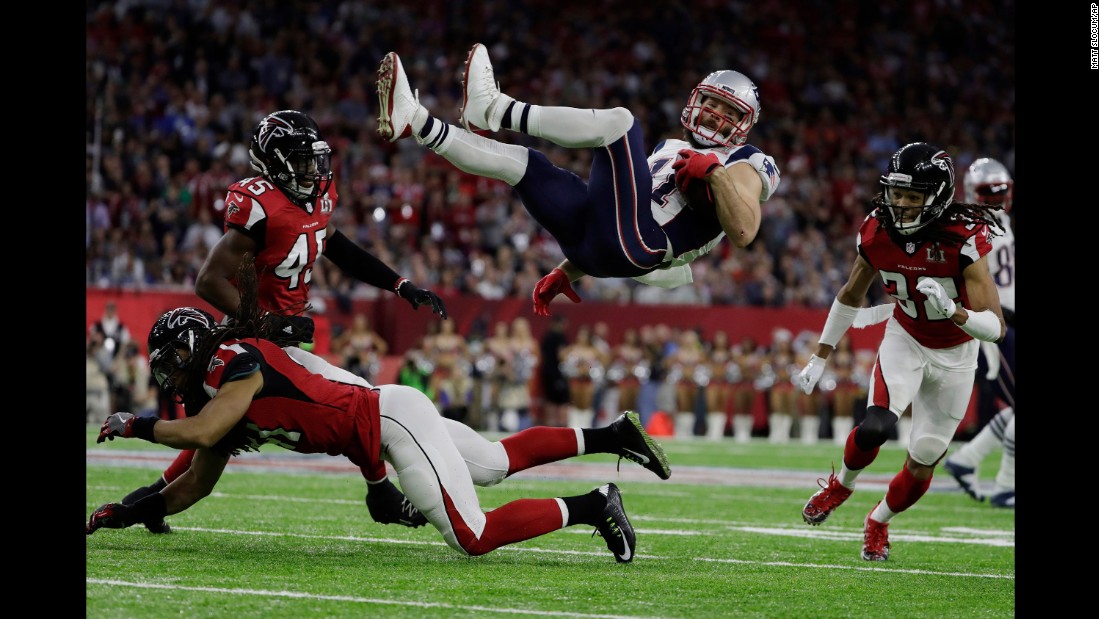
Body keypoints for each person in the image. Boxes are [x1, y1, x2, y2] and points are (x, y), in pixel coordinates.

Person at [87, 291, 672, 563]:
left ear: (191, 353)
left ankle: (595, 504)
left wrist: (135, 424)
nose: (167, 378)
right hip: (388, 417)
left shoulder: (235, 365)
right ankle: (612, 437)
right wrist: (130, 511)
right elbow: (191, 480)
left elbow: (198, 432)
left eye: (169, 365)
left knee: (474, 537)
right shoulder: (219, 393)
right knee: (492, 462)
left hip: (391, 421)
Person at [115, 109, 449, 534]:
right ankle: (380, 489)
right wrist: (268, 323)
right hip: (254, 335)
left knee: (223, 431)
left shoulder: (315, 197)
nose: (313, 168)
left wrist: (399, 284)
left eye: (313, 158)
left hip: (285, 333)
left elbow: (337, 246)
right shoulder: (260, 205)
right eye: (302, 158)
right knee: (359, 402)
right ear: (275, 160)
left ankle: (147, 502)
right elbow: (208, 280)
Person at [375, 43, 780, 315]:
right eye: (709, 101)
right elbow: (620, 212)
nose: (711, 112)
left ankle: (496, 110)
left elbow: (744, 231)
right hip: (600, 246)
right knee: (524, 164)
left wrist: (716, 174)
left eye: (724, 108)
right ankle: (416, 122)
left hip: (642, 247)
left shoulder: (748, 161)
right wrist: (568, 270)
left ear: (744, 124)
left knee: (621, 123)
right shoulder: (671, 146)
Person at [794, 142, 1006, 561]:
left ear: (938, 196)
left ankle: (879, 521)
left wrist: (955, 311)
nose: (902, 205)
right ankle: (842, 484)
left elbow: (996, 327)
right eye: (897, 194)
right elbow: (851, 293)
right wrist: (820, 355)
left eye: (913, 196)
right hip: (905, 339)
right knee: (875, 426)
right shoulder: (877, 229)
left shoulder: (963, 237)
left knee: (924, 457)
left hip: (957, 354)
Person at [942, 157, 1016, 508]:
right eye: (991, 194)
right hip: (997, 327)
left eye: (1002, 192)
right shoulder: (973, 228)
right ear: (973, 193)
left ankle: (967, 459)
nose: (998, 200)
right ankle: (1005, 486)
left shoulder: (996, 222)